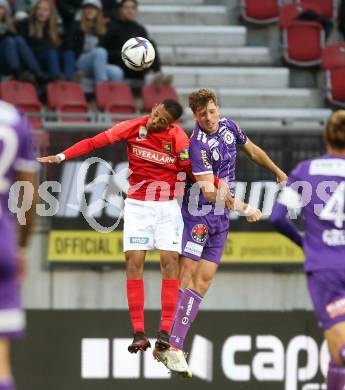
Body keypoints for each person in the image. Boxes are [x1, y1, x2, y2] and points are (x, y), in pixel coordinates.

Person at [37, 99, 196, 353]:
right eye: (156, 114)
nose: (155, 120)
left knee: (170, 262)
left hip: (166, 206)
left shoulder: (178, 138)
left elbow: (193, 170)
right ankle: (139, 333)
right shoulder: (133, 127)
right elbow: (93, 142)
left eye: (162, 120)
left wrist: (215, 186)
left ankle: (165, 331)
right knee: (133, 263)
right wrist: (62, 155)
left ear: (171, 123)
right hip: (137, 206)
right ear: (153, 108)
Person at [155, 88, 287, 376]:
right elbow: (209, 191)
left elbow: (251, 150)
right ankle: (166, 341)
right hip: (198, 215)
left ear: (217, 108)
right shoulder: (197, 144)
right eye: (203, 114)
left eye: (212, 111)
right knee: (186, 274)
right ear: (195, 116)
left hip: (220, 220)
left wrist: (278, 171)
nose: (210, 118)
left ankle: (175, 345)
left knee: (203, 281)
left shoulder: (228, 126)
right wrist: (245, 207)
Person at [270, 110, 345, 390]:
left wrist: (305, 243)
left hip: (324, 268)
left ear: (325, 137)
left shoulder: (305, 171)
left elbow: (278, 216)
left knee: (340, 352)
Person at [0, 100, 37, 390]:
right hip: (3, 241)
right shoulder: (15, 119)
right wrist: (21, 248)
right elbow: (28, 192)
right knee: (1, 363)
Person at [103, 0, 171, 85]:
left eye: (132, 8)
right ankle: (152, 77)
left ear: (136, 11)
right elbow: (104, 51)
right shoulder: (111, 27)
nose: (129, 11)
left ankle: (156, 74)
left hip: (138, 65)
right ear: (120, 10)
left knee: (150, 44)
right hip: (119, 63)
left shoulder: (140, 29)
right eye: (126, 7)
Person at [63, 0, 124, 85]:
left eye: (93, 8)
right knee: (100, 51)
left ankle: (112, 97)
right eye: (87, 8)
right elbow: (68, 48)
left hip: (97, 64)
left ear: (98, 12)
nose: (90, 11)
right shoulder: (75, 26)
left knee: (117, 72)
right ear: (83, 11)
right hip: (80, 62)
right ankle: (101, 89)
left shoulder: (103, 29)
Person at [16, 0, 73, 81]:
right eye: (39, 9)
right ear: (35, 11)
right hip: (35, 62)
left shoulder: (55, 28)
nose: (41, 13)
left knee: (68, 53)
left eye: (45, 10)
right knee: (51, 52)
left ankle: (67, 82)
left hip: (51, 60)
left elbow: (61, 48)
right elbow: (25, 50)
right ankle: (57, 81)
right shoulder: (26, 25)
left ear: (50, 13)